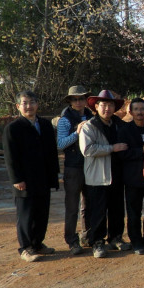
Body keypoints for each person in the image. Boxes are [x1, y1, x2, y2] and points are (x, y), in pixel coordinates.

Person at [3, 91, 60, 262]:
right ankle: (25, 248)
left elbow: (52, 152)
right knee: (26, 215)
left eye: (32, 102)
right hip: (24, 180)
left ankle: (37, 244)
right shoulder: (13, 128)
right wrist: (17, 179)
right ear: (18, 106)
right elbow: (10, 157)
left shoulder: (45, 125)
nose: (29, 106)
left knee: (42, 213)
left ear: (37, 104)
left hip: (43, 178)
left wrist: (54, 176)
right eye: (25, 103)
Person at [79, 90, 129, 258]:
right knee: (98, 211)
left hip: (116, 174)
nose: (107, 108)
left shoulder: (119, 124)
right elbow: (87, 149)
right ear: (96, 107)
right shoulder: (89, 126)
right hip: (97, 176)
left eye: (110, 105)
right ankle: (97, 242)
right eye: (103, 105)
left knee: (117, 209)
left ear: (115, 107)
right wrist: (112, 148)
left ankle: (116, 237)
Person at [118, 97, 144, 254]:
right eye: (136, 109)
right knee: (134, 212)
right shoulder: (124, 130)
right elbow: (122, 154)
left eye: (142, 109)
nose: (140, 112)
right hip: (133, 178)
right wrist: (140, 151)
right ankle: (136, 241)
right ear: (130, 112)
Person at [56, 85, 93, 254]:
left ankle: (88, 236)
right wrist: (77, 132)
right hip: (73, 168)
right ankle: (71, 240)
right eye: (75, 99)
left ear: (86, 100)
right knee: (72, 207)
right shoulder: (65, 120)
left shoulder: (91, 117)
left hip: (90, 165)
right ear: (70, 101)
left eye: (81, 98)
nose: (78, 102)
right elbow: (60, 144)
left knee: (89, 204)